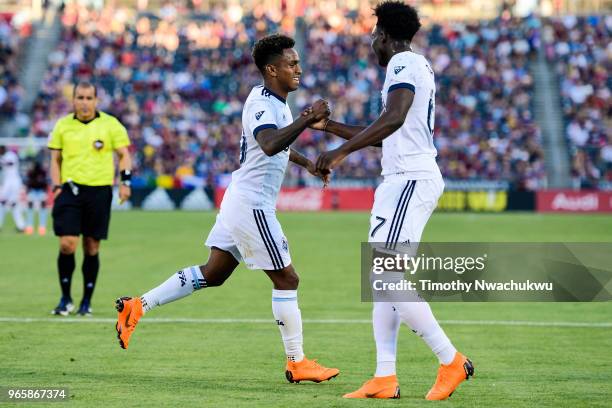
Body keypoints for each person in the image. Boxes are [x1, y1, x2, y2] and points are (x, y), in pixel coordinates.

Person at [115, 34, 340, 385]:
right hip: (252, 205)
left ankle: (138, 306)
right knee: (287, 278)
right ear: (271, 69)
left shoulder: (274, 102)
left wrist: (309, 164)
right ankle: (297, 362)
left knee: (213, 273)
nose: (298, 68)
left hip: (240, 200)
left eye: (297, 62)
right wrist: (307, 118)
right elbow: (268, 144)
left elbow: (273, 144)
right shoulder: (264, 104)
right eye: (291, 63)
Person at [313, 1, 473, 401]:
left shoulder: (403, 64)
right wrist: (329, 127)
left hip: (409, 180)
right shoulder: (411, 67)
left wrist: (340, 152)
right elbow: (386, 130)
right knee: (381, 282)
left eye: (372, 35)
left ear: (383, 35)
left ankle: (451, 359)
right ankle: (384, 378)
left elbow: (394, 118)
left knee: (386, 278)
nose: (370, 43)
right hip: (401, 179)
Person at [48, 81, 132, 316]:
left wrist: (125, 182)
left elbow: (124, 155)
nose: (84, 103)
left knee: (91, 246)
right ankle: (65, 299)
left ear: (96, 100)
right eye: (80, 98)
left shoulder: (110, 124)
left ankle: (86, 301)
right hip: (70, 190)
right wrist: (56, 186)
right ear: (73, 99)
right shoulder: (63, 126)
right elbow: (55, 159)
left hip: (99, 191)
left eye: (88, 98)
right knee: (67, 244)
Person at [0, 145, 26, 233]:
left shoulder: (10, 155)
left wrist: (2, 161)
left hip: (14, 183)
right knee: (3, 203)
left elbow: (10, 163)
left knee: (14, 204)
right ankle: (20, 226)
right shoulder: (3, 157)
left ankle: (21, 226)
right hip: (7, 183)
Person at [24, 160, 49, 236]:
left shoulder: (34, 173)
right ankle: (35, 228)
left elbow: (28, 182)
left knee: (36, 209)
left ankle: (35, 228)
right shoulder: (37, 173)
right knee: (34, 209)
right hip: (34, 191)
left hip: (39, 191)